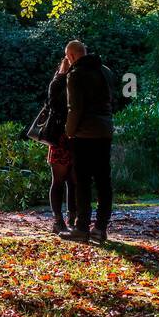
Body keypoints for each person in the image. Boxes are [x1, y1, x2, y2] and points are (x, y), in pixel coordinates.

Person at [63, 39, 114, 242]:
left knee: (82, 182)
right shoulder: (106, 72)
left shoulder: (75, 75)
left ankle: (82, 226)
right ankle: (101, 228)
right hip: (104, 132)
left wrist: (69, 131)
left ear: (73, 56)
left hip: (83, 134)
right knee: (104, 181)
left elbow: (74, 108)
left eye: (68, 57)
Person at [41, 55, 76, 234]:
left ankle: (59, 219)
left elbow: (52, 105)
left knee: (60, 181)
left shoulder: (56, 83)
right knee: (71, 181)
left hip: (60, 137)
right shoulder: (65, 83)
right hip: (70, 136)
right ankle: (70, 218)